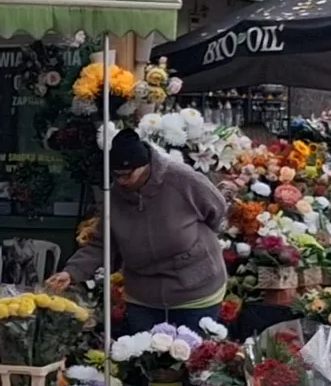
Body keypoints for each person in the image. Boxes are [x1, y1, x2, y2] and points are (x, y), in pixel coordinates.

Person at [47, 128, 227, 330]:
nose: (122, 181)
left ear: (145, 165)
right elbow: (102, 243)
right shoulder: (114, 196)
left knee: (193, 358)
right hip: (143, 297)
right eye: (117, 175)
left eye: (128, 174)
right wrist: (72, 273)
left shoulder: (182, 179)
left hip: (196, 290)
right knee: (143, 358)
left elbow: (217, 211)